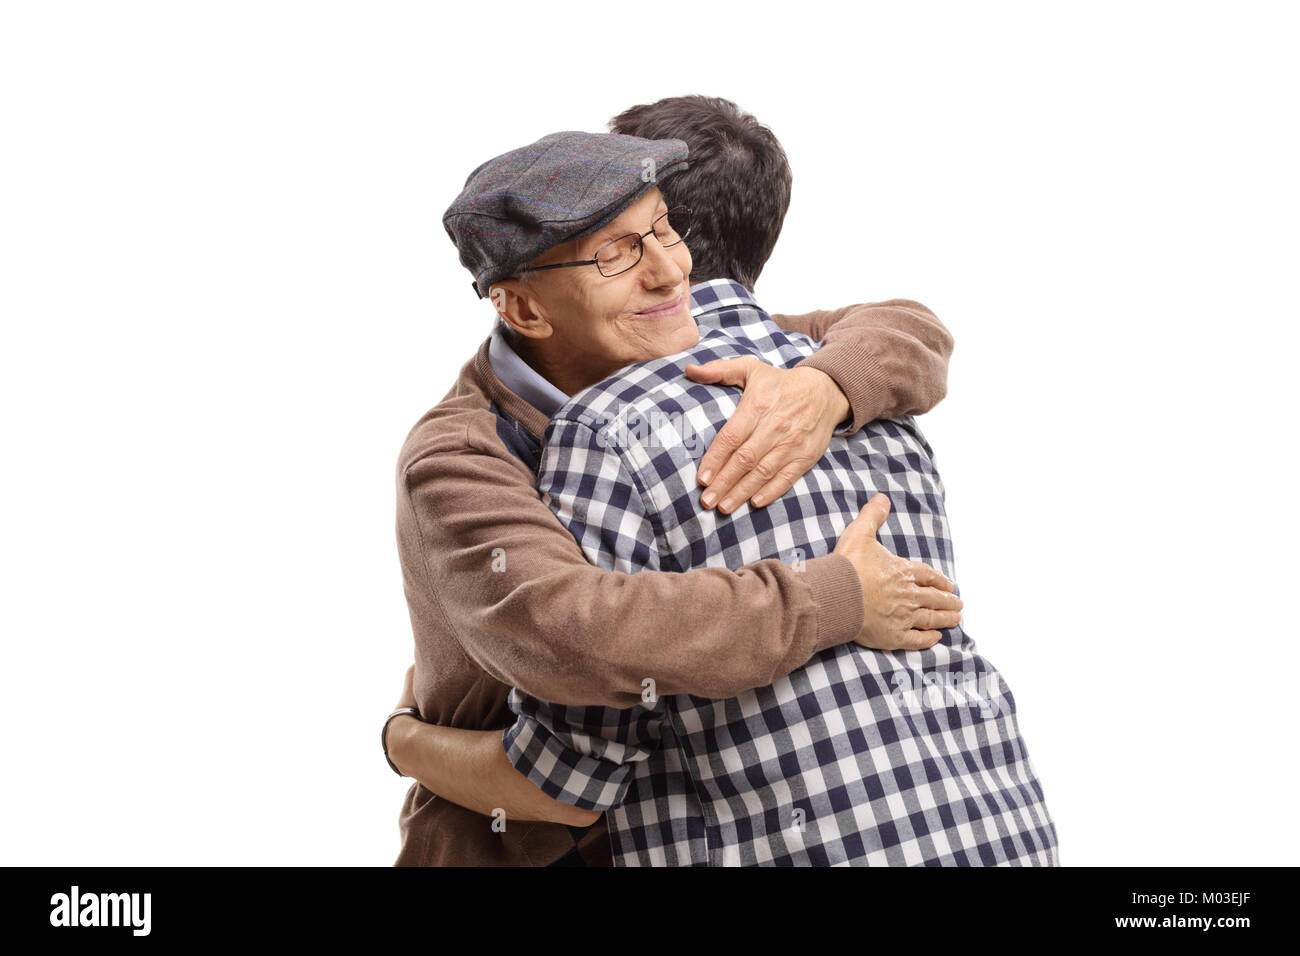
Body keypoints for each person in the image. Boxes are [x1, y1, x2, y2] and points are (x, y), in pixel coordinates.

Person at [387, 110, 958, 866]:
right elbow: (579, 633)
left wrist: (824, 388)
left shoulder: (688, 347)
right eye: (617, 254)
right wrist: (835, 599)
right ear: (522, 308)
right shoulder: (459, 454)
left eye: (664, 229)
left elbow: (907, 330)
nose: (671, 271)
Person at [497, 178, 1058, 864]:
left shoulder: (604, 428)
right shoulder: (868, 387)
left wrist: (404, 744)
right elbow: (914, 330)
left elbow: (576, 771)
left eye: (654, 227)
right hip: (1000, 824)